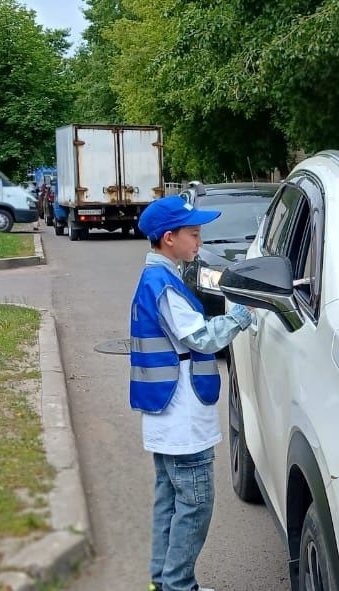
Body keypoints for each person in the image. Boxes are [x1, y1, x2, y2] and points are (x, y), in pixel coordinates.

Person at [130, 196, 255, 591]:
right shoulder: (163, 284)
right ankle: (179, 585)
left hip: (167, 413)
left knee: (170, 502)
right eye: (194, 234)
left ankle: (163, 581)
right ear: (169, 238)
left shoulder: (159, 278)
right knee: (195, 505)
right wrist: (239, 316)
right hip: (182, 416)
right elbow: (199, 337)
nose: (200, 241)